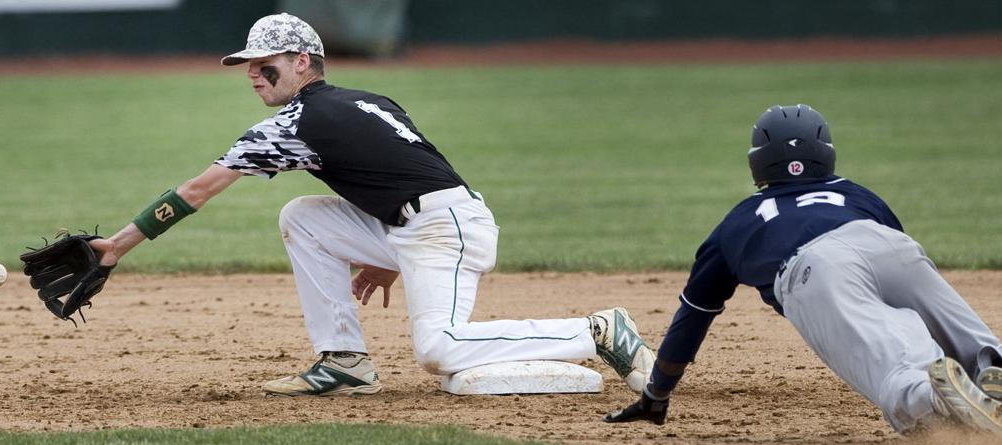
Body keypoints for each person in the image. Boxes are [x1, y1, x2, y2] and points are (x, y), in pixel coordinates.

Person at [86, 13, 655, 396]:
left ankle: (597, 331)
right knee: (303, 217)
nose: (254, 75)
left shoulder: (294, 124)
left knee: (438, 351)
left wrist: (115, 247)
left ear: (303, 61)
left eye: (266, 64)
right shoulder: (368, 100)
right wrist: (387, 256)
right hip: (428, 221)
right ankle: (344, 361)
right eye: (249, 68)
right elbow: (401, 173)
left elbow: (197, 190)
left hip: (444, 230)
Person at [605, 104, 1002, 434]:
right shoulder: (857, 194)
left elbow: (693, 316)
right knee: (969, 337)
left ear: (758, 164)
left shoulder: (738, 222)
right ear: (826, 154)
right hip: (888, 244)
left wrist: (657, 394)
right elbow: (896, 264)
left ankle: (929, 396)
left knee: (893, 361)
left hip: (815, 267)